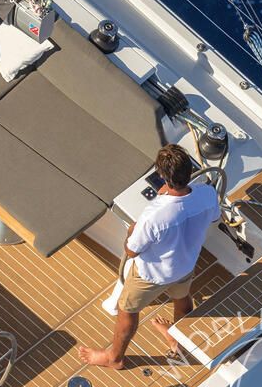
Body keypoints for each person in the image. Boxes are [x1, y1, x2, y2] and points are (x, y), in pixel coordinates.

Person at [79, 144, 219, 369]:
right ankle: (179, 341)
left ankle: (114, 358)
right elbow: (212, 217)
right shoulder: (208, 193)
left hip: (151, 275)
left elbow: (131, 251)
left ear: (163, 176)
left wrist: (131, 231)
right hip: (185, 265)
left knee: (127, 310)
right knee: (182, 299)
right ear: (189, 171)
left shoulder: (154, 216)